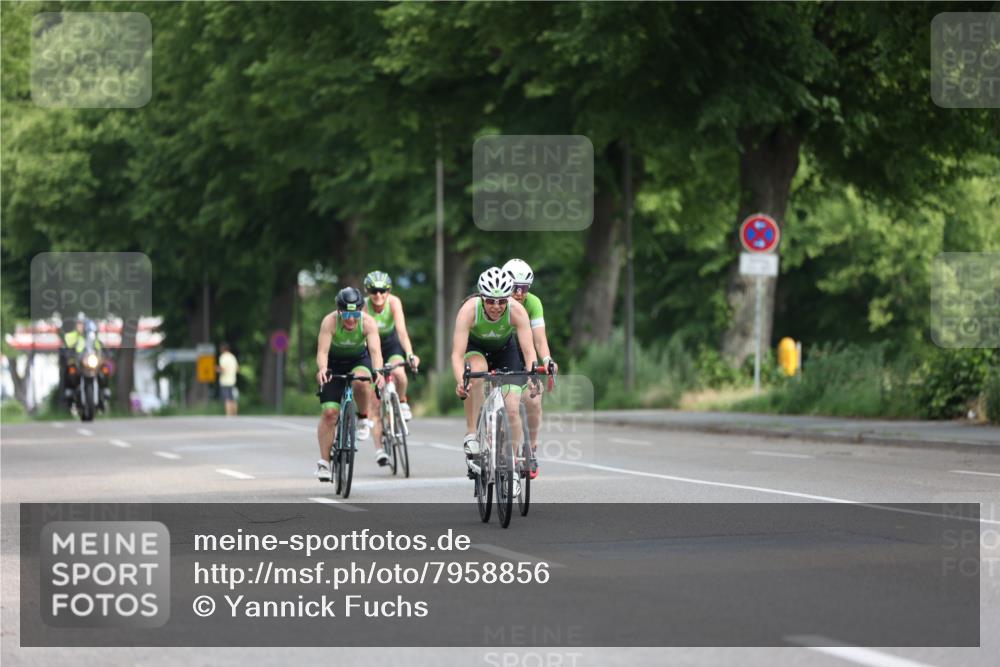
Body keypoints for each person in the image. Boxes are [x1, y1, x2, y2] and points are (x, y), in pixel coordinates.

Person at [451, 267, 537, 475]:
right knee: (476, 371)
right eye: (490, 301)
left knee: (513, 408)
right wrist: (461, 382)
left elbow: (528, 351)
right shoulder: (469, 310)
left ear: (508, 299)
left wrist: (533, 375)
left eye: (501, 301)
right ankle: (472, 433)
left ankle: (512, 464)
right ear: (481, 298)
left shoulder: (517, 311)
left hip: (505, 350)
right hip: (476, 349)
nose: (496, 307)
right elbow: (456, 354)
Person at [315, 286, 386, 481]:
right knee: (329, 413)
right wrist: (322, 369)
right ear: (339, 311)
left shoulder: (368, 323)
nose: (351, 319)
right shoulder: (329, 322)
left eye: (355, 313)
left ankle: (363, 416)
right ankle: (324, 463)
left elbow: (375, 352)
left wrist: (378, 371)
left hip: (358, 361)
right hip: (333, 364)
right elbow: (322, 352)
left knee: (362, 381)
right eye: (346, 313)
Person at [503, 258, 558, 479]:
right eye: (514, 288)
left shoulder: (533, 303)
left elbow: (539, 340)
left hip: (525, 351)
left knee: (534, 398)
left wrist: (547, 359)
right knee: (506, 400)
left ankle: (531, 448)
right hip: (502, 348)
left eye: (523, 288)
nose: (518, 293)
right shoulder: (497, 302)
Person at [361, 271, 420, 420]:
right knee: (371, 389)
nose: (378, 294)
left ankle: (402, 401)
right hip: (371, 347)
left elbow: (401, 331)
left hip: (390, 344)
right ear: (368, 291)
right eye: (374, 290)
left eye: (383, 290)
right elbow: (362, 336)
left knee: (400, 374)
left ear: (389, 291)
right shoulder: (364, 306)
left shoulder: (394, 302)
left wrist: (409, 354)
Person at [217, 343, 240, 417]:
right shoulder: (233, 357)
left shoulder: (223, 357)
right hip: (233, 380)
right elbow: (237, 369)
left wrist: (217, 369)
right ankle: (235, 414)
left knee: (227, 399)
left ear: (223, 349)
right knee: (233, 398)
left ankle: (228, 414)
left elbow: (223, 369)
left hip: (225, 381)